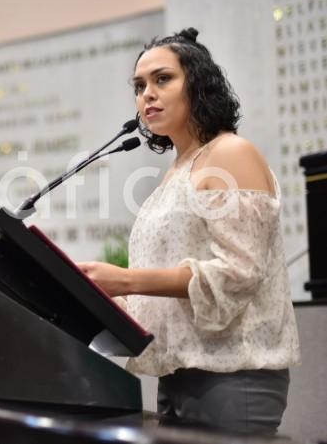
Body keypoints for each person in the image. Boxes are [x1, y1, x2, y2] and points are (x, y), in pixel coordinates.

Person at [75, 28, 300, 435]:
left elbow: (238, 272)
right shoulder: (179, 170)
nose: (147, 94)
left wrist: (125, 280)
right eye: (139, 85)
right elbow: (170, 288)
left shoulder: (230, 152)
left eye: (163, 79)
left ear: (197, 84)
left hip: (234, 375)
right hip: (178, 373)